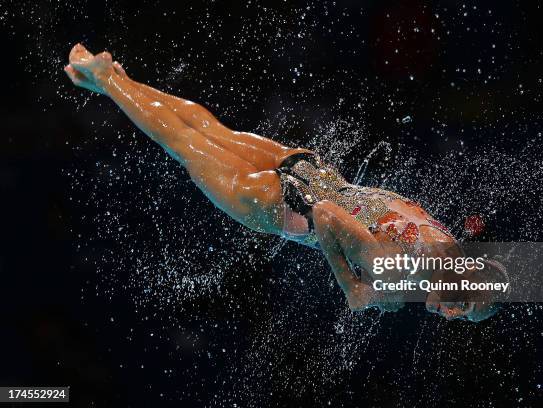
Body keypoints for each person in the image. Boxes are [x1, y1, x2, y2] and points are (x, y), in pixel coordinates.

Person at [64, 44, 502, 321]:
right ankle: (106, 79)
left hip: (315, 171)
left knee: (211, 131)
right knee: (183, 143)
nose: (451, 314)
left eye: (464, 316)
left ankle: (113, 78)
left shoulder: (443, 242)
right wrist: (353, 288)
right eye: (461, 305)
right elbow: (328, 216)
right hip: (286, 205)